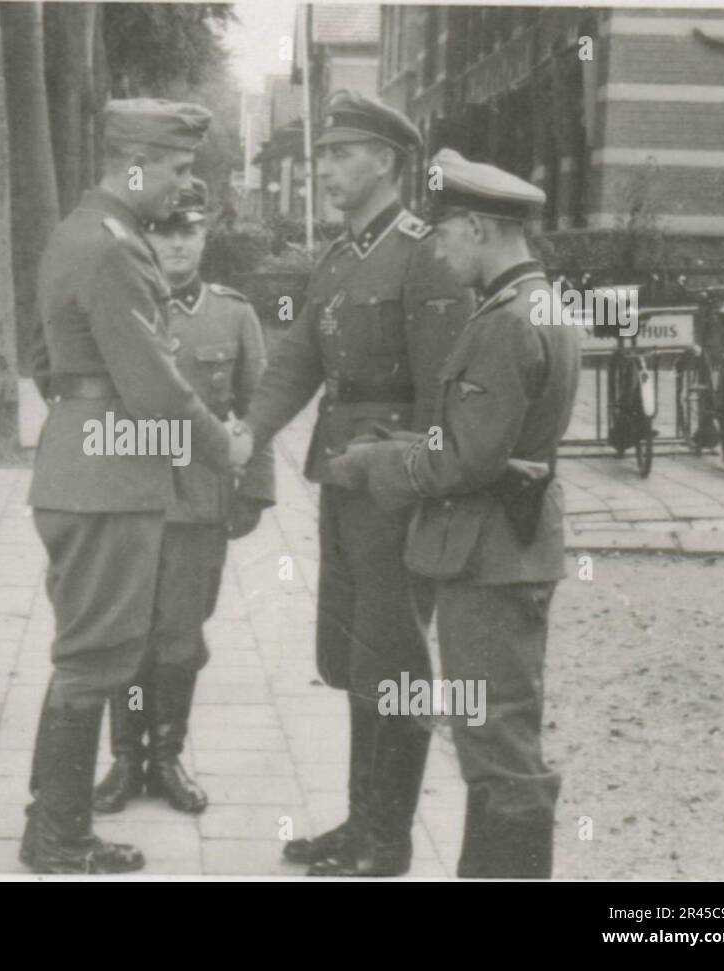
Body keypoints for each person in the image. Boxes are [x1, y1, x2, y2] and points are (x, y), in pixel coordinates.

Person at [328, 148, 581, 878]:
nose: (437, 249)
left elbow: (466, 463)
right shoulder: (545, 302)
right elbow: (491, 445)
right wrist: (413, 441)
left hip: (488, 552)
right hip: (512, 542)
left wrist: (380, 462)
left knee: (495, 739)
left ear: (477, 227)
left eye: (445, 233)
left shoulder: (504, 321)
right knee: (496, 729)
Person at [240, 91, 472, 877]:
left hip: (397, 486)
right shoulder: (340, 258)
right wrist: (250, 430)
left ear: (386, 159)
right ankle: (360, 822)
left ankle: (391, 840)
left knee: (395, 656)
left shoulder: (426, 255)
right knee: (353, 653)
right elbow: (298, 360)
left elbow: (444, 390)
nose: (326, 165)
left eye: (341, 152)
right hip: (340, 481)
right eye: (326, 152)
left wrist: (422, 481)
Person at [20, 99, 253, 874]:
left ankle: (50, 827)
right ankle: (59, 840)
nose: (182, 185)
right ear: (136, 163)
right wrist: (228, 448)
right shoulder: (116, 248)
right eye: (179, 169)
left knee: (91, 652)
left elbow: (41, 357)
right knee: (94, 658)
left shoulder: (78, 232)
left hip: (86, 463)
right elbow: (156, 386)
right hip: (109, 477)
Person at [92, 178, 275, 816]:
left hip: (198, 506)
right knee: (125, 634)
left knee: (179, 638)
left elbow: (258, 409)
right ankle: (125, 760)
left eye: (187, 231)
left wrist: (254, 491)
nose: (175, 244)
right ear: (146, 237)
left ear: (204, 237)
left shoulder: (234, 313)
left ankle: (166, 757)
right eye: (163, 231)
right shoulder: (121, 311)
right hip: (128, 503)